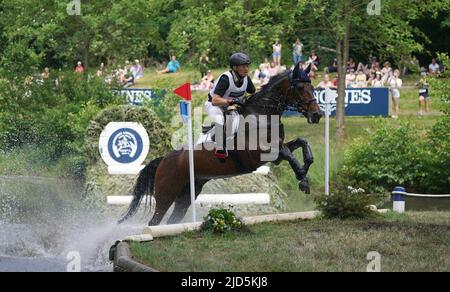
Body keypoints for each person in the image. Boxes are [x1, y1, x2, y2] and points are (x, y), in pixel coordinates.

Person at [205, 52, 256, 158]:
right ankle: (220, 148)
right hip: (214, 105)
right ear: (235, 67)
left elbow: (253, 92)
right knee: (219, 119)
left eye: (247, 66)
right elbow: (215, 100)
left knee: (240, 121)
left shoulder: (246, 78)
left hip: (231, 106)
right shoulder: (226, 78)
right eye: (243, 66)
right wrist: (231, 101)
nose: (246, 69)